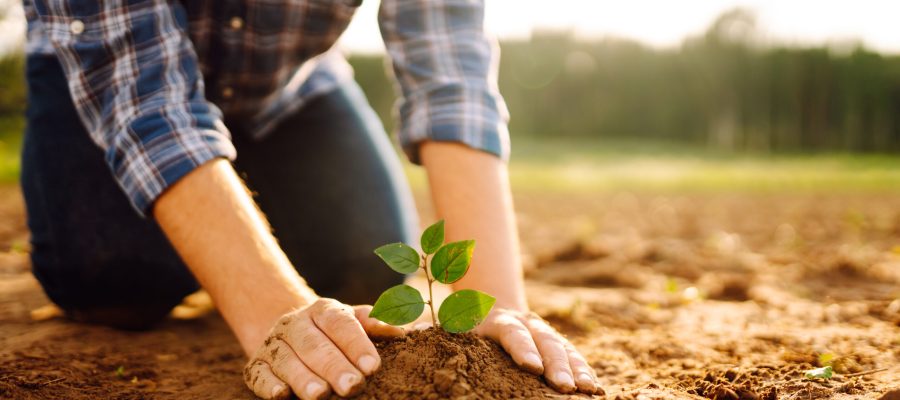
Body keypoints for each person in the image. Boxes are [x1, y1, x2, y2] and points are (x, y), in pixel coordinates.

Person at [21, 0, 600, 398]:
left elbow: (450, 65)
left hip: (287, 88)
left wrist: (490, 301)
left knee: (363, 274)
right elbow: (145, 92)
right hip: (98, 80)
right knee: (117, 281)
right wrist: (272, 308)